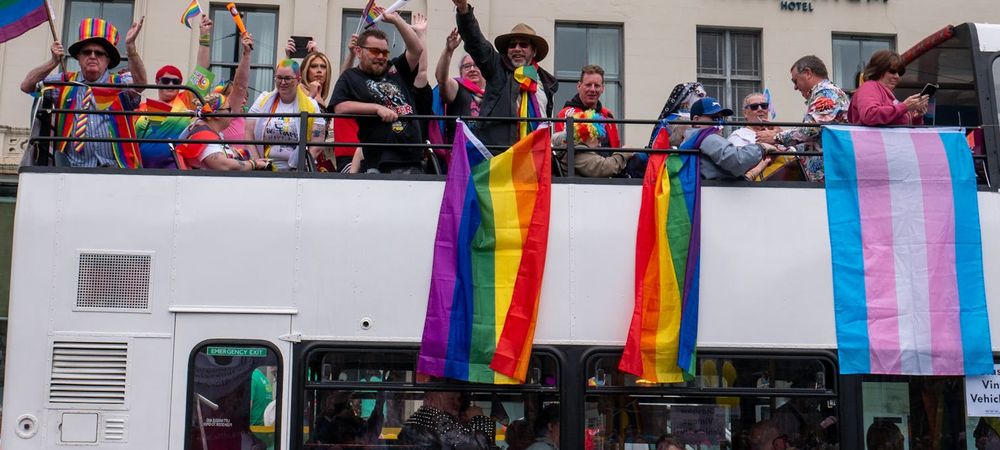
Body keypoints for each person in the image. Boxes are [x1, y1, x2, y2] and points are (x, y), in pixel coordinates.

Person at [20, 17, 148, 167]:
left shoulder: (119, 83)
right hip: (72, 169)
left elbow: (140, 84)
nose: (92, 56)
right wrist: (53, 62)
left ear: (107, 60)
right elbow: (27, 86)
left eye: (99, 53)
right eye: (87, 52)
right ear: (79, 58)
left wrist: (131, 49)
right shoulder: (65, 81)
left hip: (116, 168)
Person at [329, 8, 425, 174]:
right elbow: (339, 107)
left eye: (384, 52)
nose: (381, 56)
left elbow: (417, 49)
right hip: (380, 159)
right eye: (375, 51)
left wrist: (396, 20)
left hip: (412, 156)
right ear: (359, 51)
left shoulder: (396, 69)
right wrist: (376, 108)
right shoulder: (351, 77)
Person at [453, 0, 558, 147]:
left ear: (534, 51)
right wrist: (464, 10)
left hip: (535, 155)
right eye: (512, 45)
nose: (517, 48)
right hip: (499, 153)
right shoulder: (497, 68)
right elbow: (476, 42)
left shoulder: (545, 82)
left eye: (523, 45)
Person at [756, 55, 848, 182]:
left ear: (808, 73)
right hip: (827, 175)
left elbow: (811, 130)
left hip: (832, 176)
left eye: (795, 81)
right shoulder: (823, 94)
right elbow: (812, 139)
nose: (795, 87)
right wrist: (780, 142)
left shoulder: (827, 94)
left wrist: (776, 137)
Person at [246, 59, 326, 170]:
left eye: (288, 78)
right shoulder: (263, 99)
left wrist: (302, 166)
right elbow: (248, 134)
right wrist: (258, 163)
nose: (282, 83)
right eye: (279, 78)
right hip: (266, 168)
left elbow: (318, 142)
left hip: (298, 170)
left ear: (298, 80)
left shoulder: (311, 105)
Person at [173, 93, 270, 171]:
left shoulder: (209, 132)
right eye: (229, 109)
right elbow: (223, 165)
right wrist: (254, 164)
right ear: (216, 115)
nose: (232, 113)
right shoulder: (204, 136)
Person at [683, 97, 772, 180]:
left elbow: (723, 174)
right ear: (696, 120)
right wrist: (762, 147)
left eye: (721, 118)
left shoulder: (694, 138)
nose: (720, 123)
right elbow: (737, 161)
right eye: (714, 118)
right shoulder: (705, 136)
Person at [848, 49, 928, 126]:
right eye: (892, 71)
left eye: (900, 73)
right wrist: (904, 106)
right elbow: (869, 115)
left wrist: (916, 117)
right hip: (871, 139)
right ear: (879, 70)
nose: (897, 76)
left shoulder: (887, 95)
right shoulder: (869, 87)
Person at [436, 27, 487, 142]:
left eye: (476, 65)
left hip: (489, 154)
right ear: (460, 72)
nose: (472, 69)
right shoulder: (458, 87)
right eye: (467, 66)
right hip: (461, 153)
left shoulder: (494, 91)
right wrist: (448, 51)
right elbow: (441, 79)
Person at [396, 391, 494, 449]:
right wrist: (478, 419)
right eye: (451, 399)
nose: (457, 404)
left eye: (458, 399)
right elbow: (477, 447)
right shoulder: (435, 419)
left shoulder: (419, 420)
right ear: (432, 400)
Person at [286, 38, 333, 109]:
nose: (319, 70)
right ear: (306, 70)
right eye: (313, 66)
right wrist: (288, 59)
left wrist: (316, 54)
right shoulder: (298, 89)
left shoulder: (321, 94)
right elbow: (286, 81)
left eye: (323, 66)